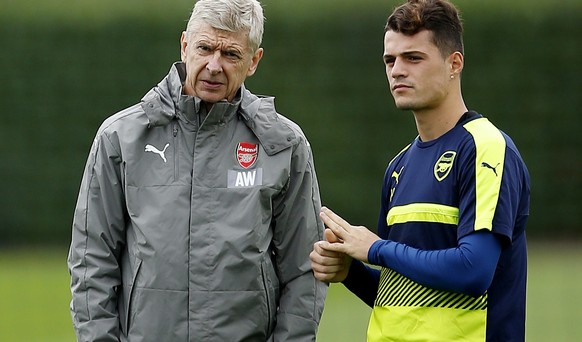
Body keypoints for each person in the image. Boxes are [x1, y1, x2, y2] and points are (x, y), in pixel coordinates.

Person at [67, 0, 327, 341]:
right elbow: (91, 261)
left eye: (231, 54)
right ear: (185, 45)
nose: (214, 65)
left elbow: (304, 269)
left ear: (254, 61)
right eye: (205, 48)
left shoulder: (284, 145)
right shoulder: (121, 136)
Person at [310, 0, 530, 341]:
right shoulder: (398, 167)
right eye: (390, 60)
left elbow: (473, 270)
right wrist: (350, 272)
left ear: (454, 63)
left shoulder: (484, 147)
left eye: (413, 58)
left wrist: (376, 249)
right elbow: (399, 294)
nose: (397, 70)